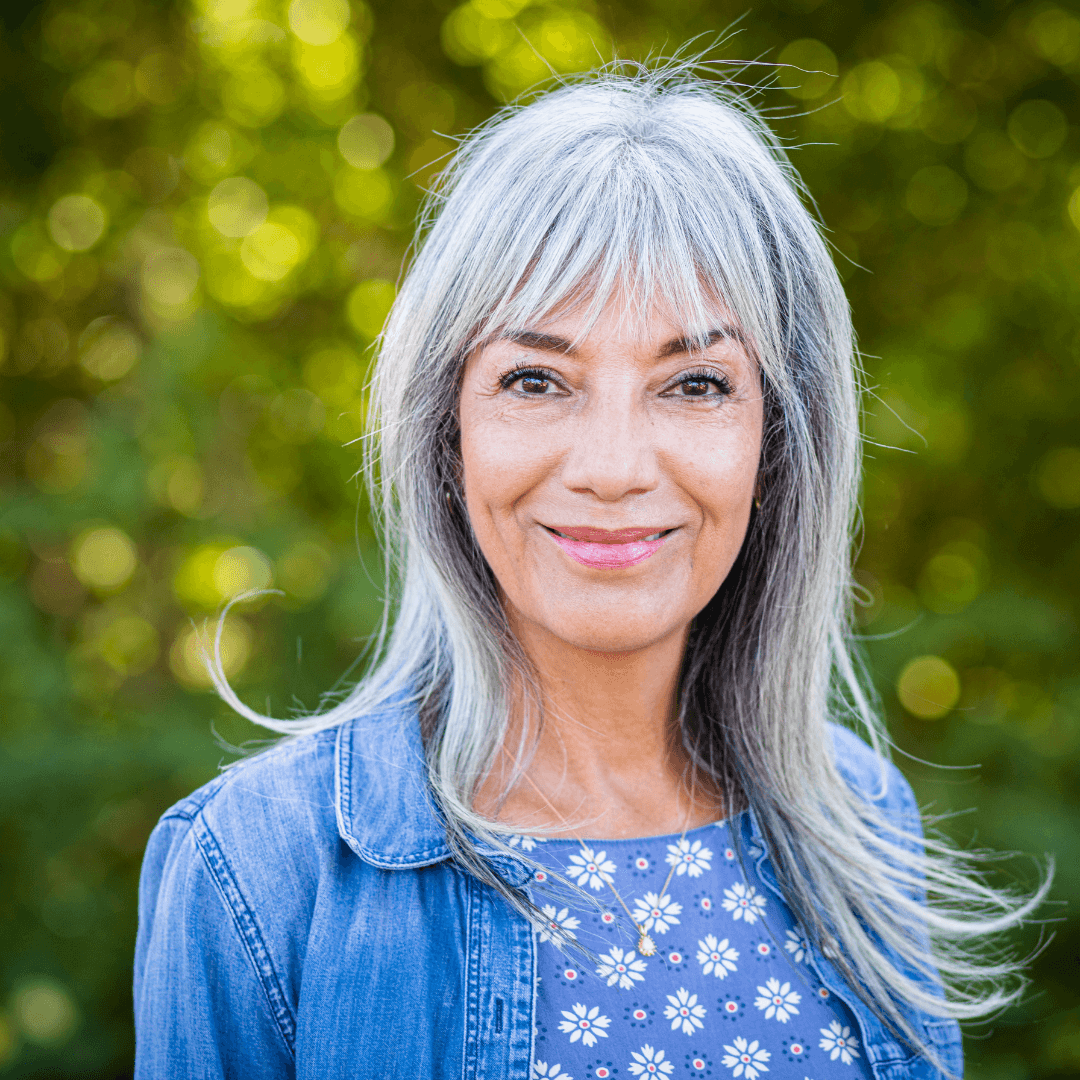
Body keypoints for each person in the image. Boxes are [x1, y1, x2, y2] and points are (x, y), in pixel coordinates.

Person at [133, 66, 1043, 1079]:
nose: (613, 468)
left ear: (777, 442)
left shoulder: (864, 820)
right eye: (536, 380)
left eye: (695, 384)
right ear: (449, 431)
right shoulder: (258, 865)